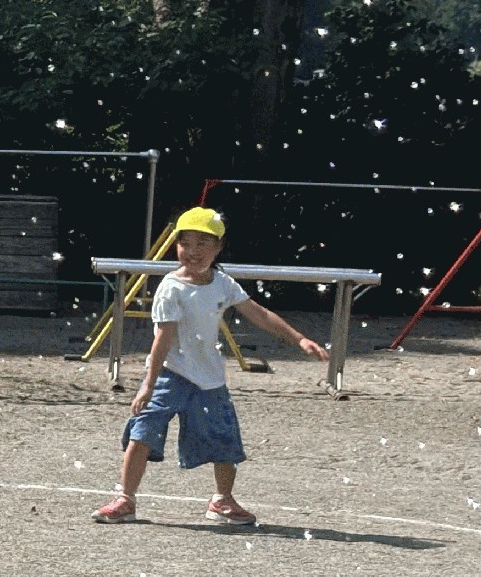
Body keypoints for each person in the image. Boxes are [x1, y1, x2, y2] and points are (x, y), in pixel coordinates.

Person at [93, 206, 328, 527]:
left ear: (218, 247)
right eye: (185, 243)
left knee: (224, 439)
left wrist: (298, 339)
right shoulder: (170, 288)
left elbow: (258, 313)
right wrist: (148, 384)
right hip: (169, 375)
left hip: (210, 379)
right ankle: (125, 499)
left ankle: (222, 501)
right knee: (142, 431)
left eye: (203, 243)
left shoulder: (223, 284)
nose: (192, 251)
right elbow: (163, 339)